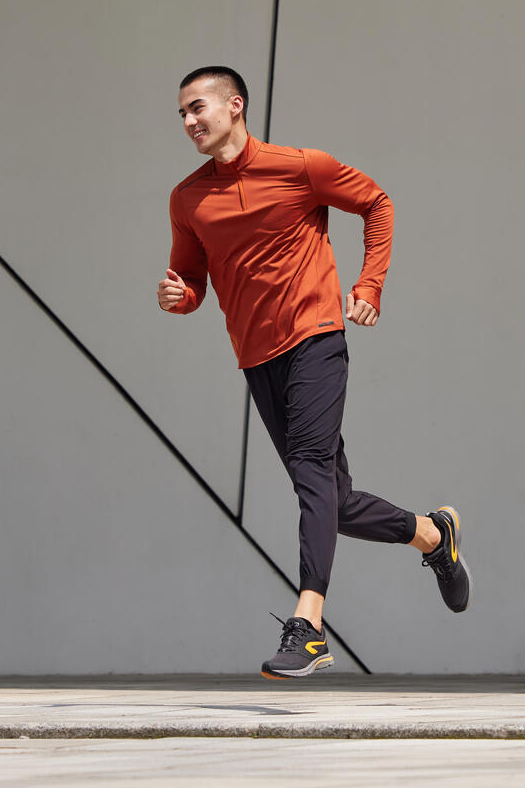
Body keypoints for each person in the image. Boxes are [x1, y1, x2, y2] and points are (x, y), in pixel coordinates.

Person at [158, 65, 470, 679]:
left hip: (315, 338)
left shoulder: (300, 167)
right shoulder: (187, 198)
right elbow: (190, 279)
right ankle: (435, 537)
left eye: (198, 108)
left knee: (308, 478)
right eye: (182, 115)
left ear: (235, 105)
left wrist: (369, 286)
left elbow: (377, 204)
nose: (190, 122)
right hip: (255, 356)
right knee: (334, 499)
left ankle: (309, 626)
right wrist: (181, 297)